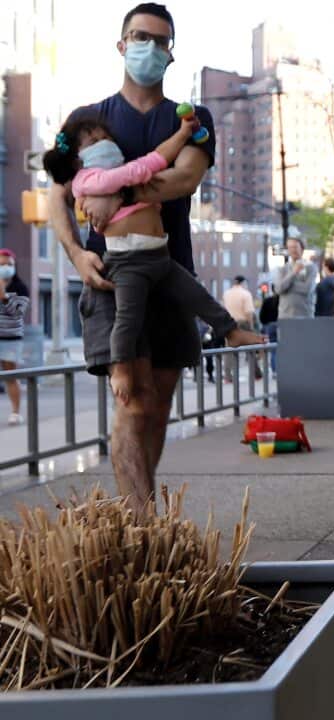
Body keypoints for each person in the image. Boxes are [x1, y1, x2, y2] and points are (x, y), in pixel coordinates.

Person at [46, 3, 230, 515]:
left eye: (160, 40)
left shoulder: (193, 118)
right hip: (109, 280)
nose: (149, 47)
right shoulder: (86, 121)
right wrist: (79, 255)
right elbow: (55, 196)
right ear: (122, 44)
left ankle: (140, 517)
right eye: (139, 36)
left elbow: (185, 178)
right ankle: (143, 523)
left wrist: (105, 185)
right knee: (132, 402)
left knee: (158, 406)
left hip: (171, 276)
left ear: (171, 53)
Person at [42, 113, 262, 403]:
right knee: (127, 319)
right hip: (127, 261)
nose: (105, 144)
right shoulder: (87, 180)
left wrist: (181, 136)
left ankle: (230, 331)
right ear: (76, 159)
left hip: (159, 253)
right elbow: (142, 169)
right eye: (94, 142)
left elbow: (152, 165)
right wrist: (165, 153)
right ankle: (120, 367)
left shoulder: (115, 172)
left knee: (196, 295)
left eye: (106, 138)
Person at [0, 249, 31, 425]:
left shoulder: (20, 288)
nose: (5, 267)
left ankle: (15, 412)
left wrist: (4, 297)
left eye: (8, 264)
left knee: (11, 375)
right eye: (1, 264)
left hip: (11, 338)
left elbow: (18, 312)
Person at [221, 275, 262, 381]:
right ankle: (256, 374)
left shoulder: (226, 294)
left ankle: (228, 376)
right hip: (243, 323)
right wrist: (251, 326)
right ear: (243, 283)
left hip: (230, 323)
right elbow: (249, 312)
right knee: (251, 349)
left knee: (229, 350)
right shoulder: (246, 294)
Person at [275, 236, 316, 320]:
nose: (292, 250)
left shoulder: (311, 267)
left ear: (302, 248)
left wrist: (287, 286)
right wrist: (293, 272)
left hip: (305, 315)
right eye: (290, 247)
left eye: (295, 247)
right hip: (285, 316)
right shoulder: (283, 269)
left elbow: (307, 289)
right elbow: (278, 289)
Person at [258, 282, 279, 371]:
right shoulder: (284, 300)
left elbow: (261, 316)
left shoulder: (267, 300)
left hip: (269, 326)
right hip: (283, 325)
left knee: (273, 349)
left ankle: (275, 370)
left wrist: (265, 324)